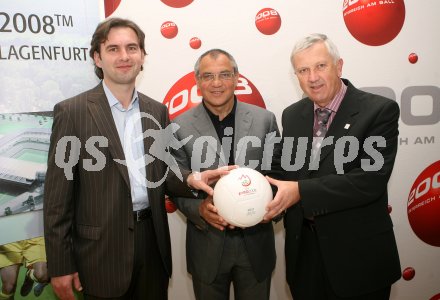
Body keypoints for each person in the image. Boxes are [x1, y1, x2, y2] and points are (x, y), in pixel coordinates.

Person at [43, 18, 232, 300]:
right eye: (113, 49)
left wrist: (191, 179)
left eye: (132, 48)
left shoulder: (157, 111)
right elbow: (57, 198)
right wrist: (60, 266)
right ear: (97, 57)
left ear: (142, 56)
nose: (124, 56)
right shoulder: (72, 112)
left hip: (152, 244)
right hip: (100, 253)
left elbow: (165, 171)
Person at [264, 33, 401, 300]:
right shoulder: (293, 115)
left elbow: (369, 180)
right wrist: (245, 188)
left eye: (320, 66)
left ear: (338, 66)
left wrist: (301, 191)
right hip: (304, 258)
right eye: (303, 70)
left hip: (359, 260)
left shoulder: (379, 110)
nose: (312, 77)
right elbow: (281, 170)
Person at [171, 49, 282, 300]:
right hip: (207, 244)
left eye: (224, 74)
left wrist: (271, 208)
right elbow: (174, 181)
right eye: (208, 76)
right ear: (198, 82)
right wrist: (198, 209)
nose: (217, 83)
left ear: (236, 78)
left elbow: (278, 173)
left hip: (255, 243)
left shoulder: (265, 120)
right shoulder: (178, 127)